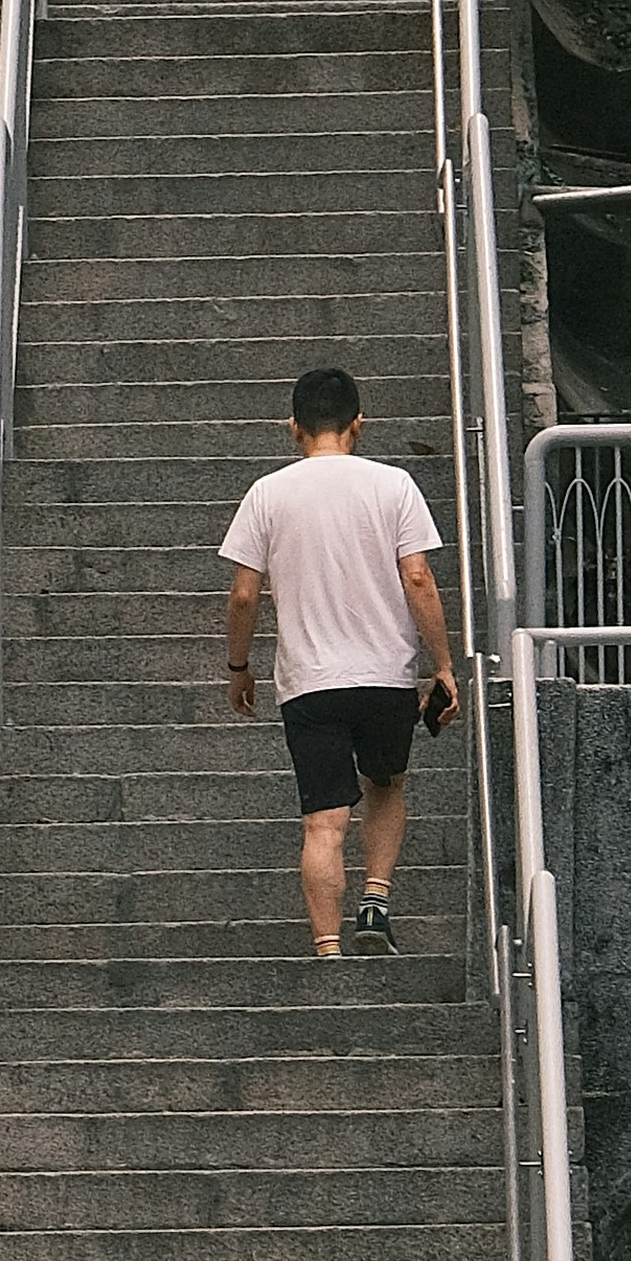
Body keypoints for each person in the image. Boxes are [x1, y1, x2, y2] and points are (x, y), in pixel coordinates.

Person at [219, 366, 457, 961]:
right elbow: (418, 577)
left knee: (323, 822)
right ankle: (375, 902)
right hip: (385, 675)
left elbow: (244, 595)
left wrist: (239, 666)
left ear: (293, 427)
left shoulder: (267, 494)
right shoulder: (394, 485)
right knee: (386, 785)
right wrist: (444, 665)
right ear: (359, 423)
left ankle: (328, 951)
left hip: (309, 683)